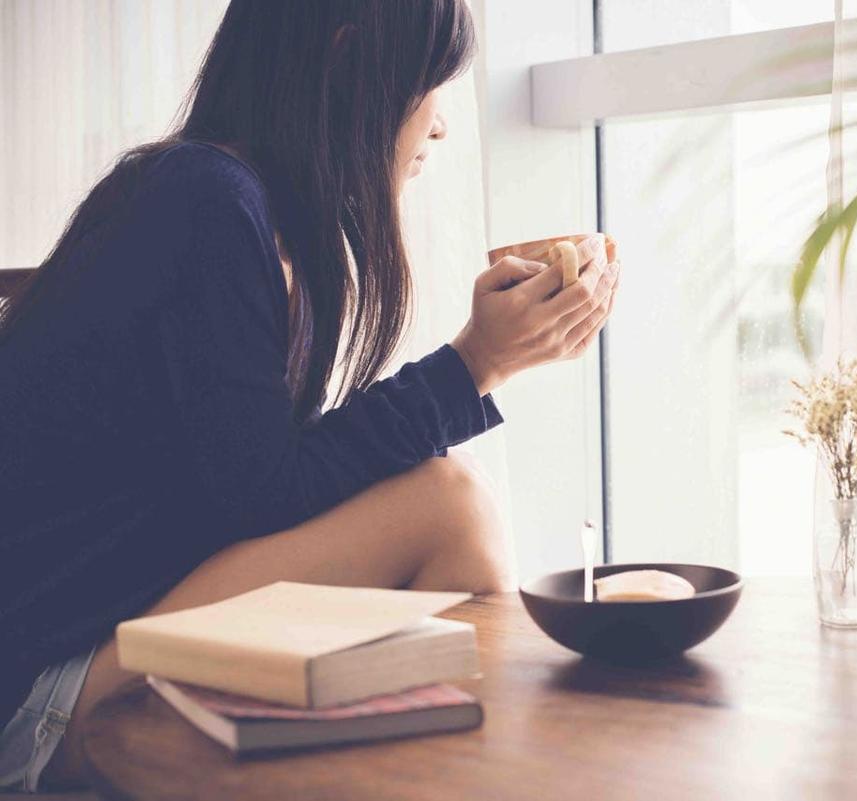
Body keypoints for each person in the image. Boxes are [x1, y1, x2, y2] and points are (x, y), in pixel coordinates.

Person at [0, 0, 620, 791]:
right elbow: (261, 495)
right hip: (42, 687)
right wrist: (474, 366)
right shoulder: (203, 201)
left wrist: (482, 364)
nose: (439, 127)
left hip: (95, 648)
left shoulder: (250, 219)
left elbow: (256, 482)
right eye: (428, 85)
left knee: (443, 503)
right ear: (346, 64)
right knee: (447, 504)